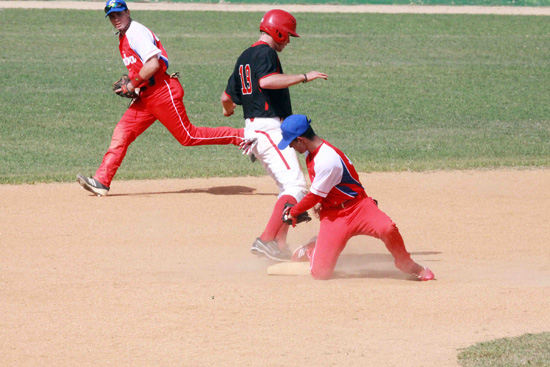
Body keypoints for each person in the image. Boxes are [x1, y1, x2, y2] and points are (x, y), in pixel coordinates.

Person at [77, 0, 244, 196]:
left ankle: (242, 136)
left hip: (163, 92)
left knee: (188, 136)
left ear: (127, 12)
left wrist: (131, 85)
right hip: (147, 96)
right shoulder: (124, 36)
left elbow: (153, 65)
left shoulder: (135, 33)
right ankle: (101, 181)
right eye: (112, 17)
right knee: (122, 132)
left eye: (119, 14)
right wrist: (137, 87)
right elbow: (142, 68)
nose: (116, 19)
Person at [221, 9, 328, 262]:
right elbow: (267, 82)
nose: (288, 41)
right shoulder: (265, 53)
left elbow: (226, 97)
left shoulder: (245, 56)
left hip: (257, 128)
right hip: (267, 127)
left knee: (287, 187)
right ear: (277, 31)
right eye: (287, 35)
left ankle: (279, 244)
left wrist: (228, 112)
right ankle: (267, 239)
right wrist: (304, 77)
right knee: (295, 186)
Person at [279, 114, 435, 281]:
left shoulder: (326, 159)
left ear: (301, 140)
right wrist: (320, 203)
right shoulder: (312, 154)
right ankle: (312, 248)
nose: (290, 147)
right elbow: (325, 189)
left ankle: (406, 264)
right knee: (321, 273)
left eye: (292, 143)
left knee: (387, 228)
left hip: (359, 208)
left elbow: (314, 195)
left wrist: (293, 212)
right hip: (334, 217)